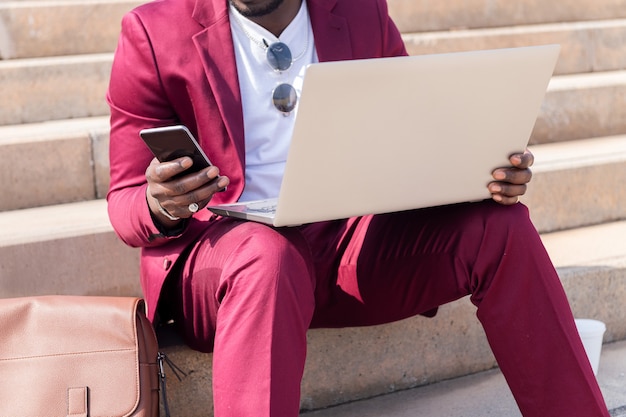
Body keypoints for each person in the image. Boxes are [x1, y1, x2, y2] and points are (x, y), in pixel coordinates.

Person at [106, 0, 611, 416]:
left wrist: (482, 172)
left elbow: (411, 137)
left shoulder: (360, 12)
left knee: (500, 227)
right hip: (229, 268)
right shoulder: (153, 32)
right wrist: (159, 201)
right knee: (267, 253)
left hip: (348, 251)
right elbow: (125, 202)